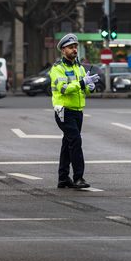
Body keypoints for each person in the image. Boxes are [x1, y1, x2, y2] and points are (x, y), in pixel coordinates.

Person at [50, 33, 99, 189]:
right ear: (63, 51)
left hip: (77, 111)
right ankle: (78, 177)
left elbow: (84, 88)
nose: (74, 49)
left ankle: (63, 178)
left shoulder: (79, 67)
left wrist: (91, 87)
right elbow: (64, 89)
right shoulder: (57, 68)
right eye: (71, 47)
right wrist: (82, 83)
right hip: (63, 110)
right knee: (75, 140)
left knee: (68, 142)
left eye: (76, 46)